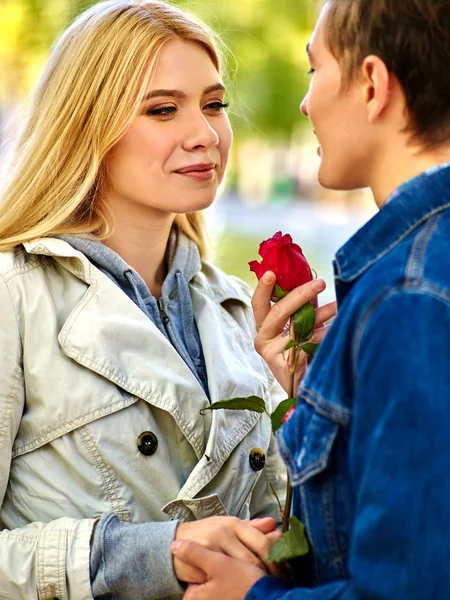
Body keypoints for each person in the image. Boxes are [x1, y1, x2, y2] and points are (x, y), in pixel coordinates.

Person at [0, 1, 309, 597]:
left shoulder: (241, 308)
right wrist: (145, 556)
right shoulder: (15, 294)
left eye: (214, 104)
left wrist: (308, 401)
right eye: (163, 109)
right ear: (87, 125)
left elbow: (294, 529)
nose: (205, 133)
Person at [171, 0, 450, 598]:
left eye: (313, 70)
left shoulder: (409, 296)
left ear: (372, 84)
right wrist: (325, 392)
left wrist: (250, 594)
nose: (306, 103)